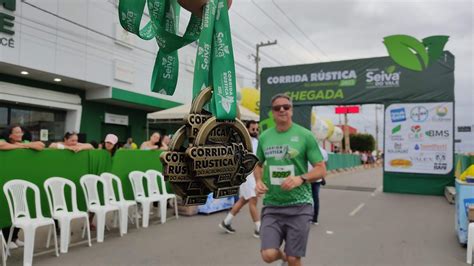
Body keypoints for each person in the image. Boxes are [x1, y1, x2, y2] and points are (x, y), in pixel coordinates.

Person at [254, 94, 326, 266]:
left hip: (299, 205)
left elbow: (321, 169)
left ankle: (290, 258)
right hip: (272, 205)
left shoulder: (305, 135)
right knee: (268, 255)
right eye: (277, 108)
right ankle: (284, 258)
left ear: (291, 110)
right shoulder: (264, 137)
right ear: (272, 113)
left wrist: (301, 178)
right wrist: (258, 181)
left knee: (295, 258)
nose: (282, 110)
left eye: (286, 106)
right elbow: (257, 164)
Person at [0, 125, 45, 250]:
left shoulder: (25, 142)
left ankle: (14, 238)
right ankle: (6, 240)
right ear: (10, 135)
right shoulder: (4, 142)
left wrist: (23, 145)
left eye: (21, 132)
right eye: (17, 132)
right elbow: (1, 146)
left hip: (21, 181)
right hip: (7, 181)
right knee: (8, 211)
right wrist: (23, 147)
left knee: (21, 210)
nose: (21, 134)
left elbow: (41, 146)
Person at [219, 120, 261, 238]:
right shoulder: (241, 141)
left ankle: (226, 222)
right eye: (253, 129)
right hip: (245, 174)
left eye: (257, 129)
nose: (255, 131)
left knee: (244, 200)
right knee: (253, 200)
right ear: (246, 129)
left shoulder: (256, 141)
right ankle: (259, 228)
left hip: (252, 174)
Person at [310, 146, 329, 225]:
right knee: (315, 198)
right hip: (317, 178)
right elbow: (325, 166)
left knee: (308, 198)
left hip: (308, 177)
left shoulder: (307, 148)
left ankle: (310, 217)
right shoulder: (323, 151)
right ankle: (315, 219)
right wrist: (323, 176)